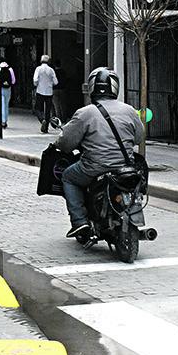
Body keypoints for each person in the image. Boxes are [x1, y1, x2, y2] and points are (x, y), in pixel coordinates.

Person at [55, 67, 144, 240]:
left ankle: (79, 221)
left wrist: (57, 144)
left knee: (68, 177)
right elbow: (139, 137)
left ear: (92, 87)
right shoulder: (130, 110)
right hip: (126, 166)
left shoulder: (85, 113)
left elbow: (66, 143)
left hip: (94, 168)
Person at [33, 55, 58, 133]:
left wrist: (36, 84)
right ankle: (46, 128)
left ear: (41, 61)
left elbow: (35, 79)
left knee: (37, 108)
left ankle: (42, 119)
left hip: (40, 91)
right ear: (49, 61)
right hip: (49, 92)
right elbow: (56, 82)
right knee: (48, 110)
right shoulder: (51, 70)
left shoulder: (38, 69)